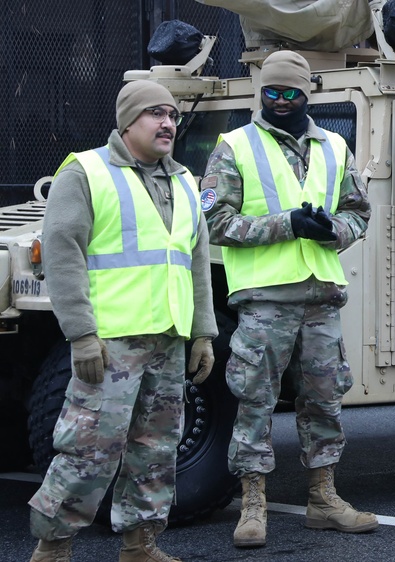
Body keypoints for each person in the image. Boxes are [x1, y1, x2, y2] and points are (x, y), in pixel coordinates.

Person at [28, 80, 217, 562]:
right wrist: (81, 334)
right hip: (111, 343)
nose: (168, 123)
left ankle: (140, 545)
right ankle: (53, 548)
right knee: (88, 450)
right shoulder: (87, 171)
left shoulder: (184, 181)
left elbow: (196, 262)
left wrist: (203, 334)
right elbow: (62, 253)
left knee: (156, 450)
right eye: (155, 113)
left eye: (172, 114)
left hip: (168, 342)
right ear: (127, 122)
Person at [200, 50, 375, 548]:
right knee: (255, 400)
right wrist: (287, 225)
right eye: (271, 92)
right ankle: (253, 503)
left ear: (307, 94)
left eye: (290, 93)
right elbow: (214, 223)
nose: (280, 101)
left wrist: (330, 230)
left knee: (324, 399)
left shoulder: (335, 146)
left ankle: (323, 498)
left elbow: (359, 213)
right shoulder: (233, 146)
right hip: (265, 299)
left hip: (320, 295)